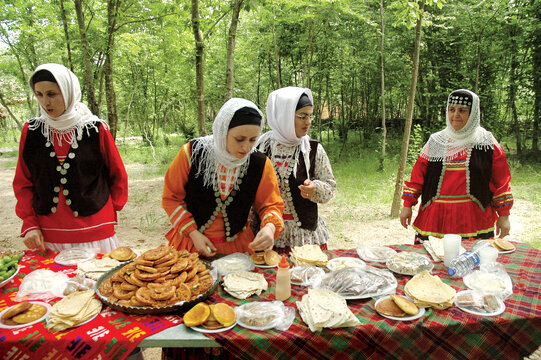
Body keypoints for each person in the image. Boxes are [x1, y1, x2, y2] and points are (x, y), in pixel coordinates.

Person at [13, 63, 128, 253]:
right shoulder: (31, 132)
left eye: (51, 94)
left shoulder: (95, 129)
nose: (45, 102)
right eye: (39, 94)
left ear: (68, 92)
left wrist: (107, 212)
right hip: (48, 235)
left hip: (95, 233)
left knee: (95, 281)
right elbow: (23, 182)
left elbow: (118, 175)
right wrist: (29, 223)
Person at [162, 97, 284, 258]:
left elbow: (271, 204)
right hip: (190, 244)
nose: (246, 147)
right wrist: (192, 233)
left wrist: (269, 227)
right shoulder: (192, 153)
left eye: (253, 140)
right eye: (239, 139)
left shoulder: (259, 163)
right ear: (222, 130)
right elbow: (171, 198)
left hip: (237, 249)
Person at [400, 89, 513, 243]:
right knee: (431, 261)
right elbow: (417, 178)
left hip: (474, 219)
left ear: (473, 113)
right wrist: (407, 205)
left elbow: (501, 181)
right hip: (435, 218)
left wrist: (504, 215)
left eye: (462, 110)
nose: (455, 115)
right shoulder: (435, 142)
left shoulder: (486, 142)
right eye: (452, 110)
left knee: (472, 263)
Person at [256, 87, 336, 254]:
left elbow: (330, 187)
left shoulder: (313, 149)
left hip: (304, 238)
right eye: (302, 116)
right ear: (283, 116)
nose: (308, 122)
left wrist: (315, 188)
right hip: (269, 236)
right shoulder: (261, 148)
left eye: (310, 116)